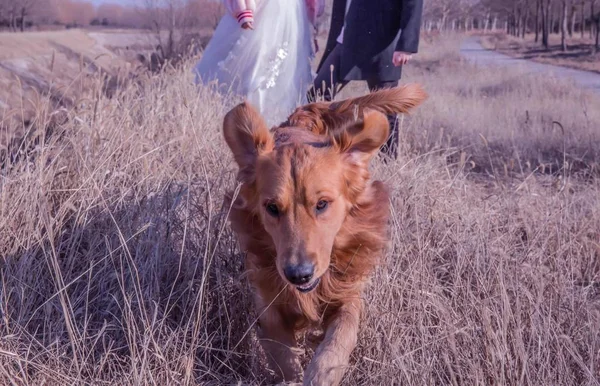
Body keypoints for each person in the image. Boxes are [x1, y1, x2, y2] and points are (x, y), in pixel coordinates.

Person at [309, 0, 424, 160]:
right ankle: (314, 151)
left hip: (383, 40)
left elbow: (413, 3)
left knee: (386, 107)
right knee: (317, 95)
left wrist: (406, 45)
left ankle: (388, 162)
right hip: (347, 38)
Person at [194, 0, 325, 126]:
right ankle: (247, 118)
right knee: (256, 62)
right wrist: (243, 8)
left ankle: (278, 121)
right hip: (263, 10)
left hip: (293, 13)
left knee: (288, 70)